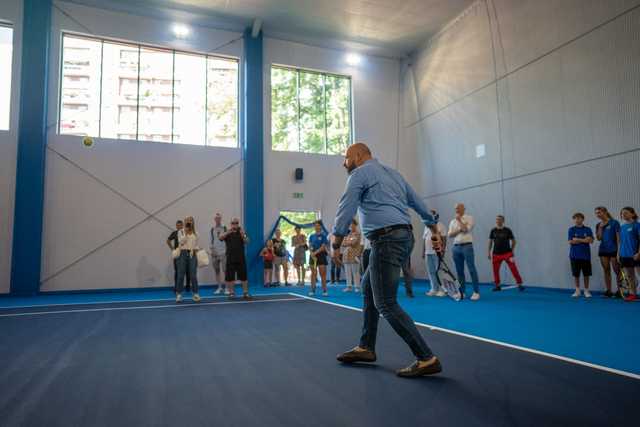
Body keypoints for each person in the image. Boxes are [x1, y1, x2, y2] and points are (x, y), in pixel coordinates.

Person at [333, 143, 443, 378]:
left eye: (346, 158)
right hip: (403, 237)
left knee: (385, 302)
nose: (344, 163)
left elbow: (347, 206)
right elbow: (418, 203)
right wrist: (433, 229)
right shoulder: (394, 174)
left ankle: (426, 357)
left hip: (386, 239)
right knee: (367, 287)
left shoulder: (359, 173)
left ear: (359, 156)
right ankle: (366, 347)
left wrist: (336, 241)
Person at [448, 203, 480, 301]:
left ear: (463, 208)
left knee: (471, 269)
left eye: (458, 208)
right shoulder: (452, 221)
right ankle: (462, 292)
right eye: (455, 208)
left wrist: (459, 220)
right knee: (459, 271)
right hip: (456, 247)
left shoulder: (469, 218)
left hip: (467, 246)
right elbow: (450, 235)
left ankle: (476, 292)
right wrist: (459, 229)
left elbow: (466, 230)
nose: (456, 209)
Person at [488, 215, 524, 292]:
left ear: (503, 221)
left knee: (514, 269)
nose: (498, 221)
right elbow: (490, 242)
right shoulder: (493, 230)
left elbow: (514, 241)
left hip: (507, 254)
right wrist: (488, 252)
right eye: (497, 219)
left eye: (500, 220)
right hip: (496, 254)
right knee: (495, 271)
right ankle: (497, 285)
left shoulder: (508, 230)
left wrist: (512, 250)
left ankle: (520, 284)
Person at [220, 218, 251, 299]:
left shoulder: (241, 232)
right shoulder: (228, 232)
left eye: (236, 223)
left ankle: (245, 293)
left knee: (244, 276)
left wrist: (242, 234)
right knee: (230, 277)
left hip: (240, 258)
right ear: (231, 224)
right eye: (233, 223)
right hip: (230, 258)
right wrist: (228, 232)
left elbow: (247, 241)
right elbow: (220, 238)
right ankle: (232, 293)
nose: (235, 224)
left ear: (238, 224)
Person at [594, 206, 622, 298]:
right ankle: (608, 291)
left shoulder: (614, 223)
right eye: (596, 213)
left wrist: (618, 251)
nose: (598, 214)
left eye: (599, 212)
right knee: (606, 270)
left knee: (617, 271)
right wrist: (600, 228)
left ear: (605, 212)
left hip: (613, 250)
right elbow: (599, 238)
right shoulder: (598, 225)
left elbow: (618, 238)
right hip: (603, 250)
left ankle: (620, 291)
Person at [568, 213, 594, 298]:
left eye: (579, 218)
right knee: (576, 274)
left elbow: (590, 241)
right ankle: (577, 290)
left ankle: (586, 290)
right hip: (574, 256)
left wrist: (578, 239)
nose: (577, 220)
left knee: (586, 274)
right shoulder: (571, 229)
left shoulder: (588, 229)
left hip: (585, 256)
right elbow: (571, 241)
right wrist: (584, 240)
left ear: (583, 219)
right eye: (575, 218)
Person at [175, 216, 201, 303]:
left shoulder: (196, 233)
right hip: (182, 253)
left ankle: (196, 294)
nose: (189, 222)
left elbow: (196, 244)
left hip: (192, 254)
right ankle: (179, 294)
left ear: (193, 222)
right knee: (181, 274)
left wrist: (197, 249)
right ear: (184, 222)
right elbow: (181, 242)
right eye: (187, 221)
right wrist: (185, 233)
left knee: (193, 275)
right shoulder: (180, 231)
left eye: (191, 220)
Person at [423, 210, 447, 297]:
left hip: (437, 252)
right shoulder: (426, 226)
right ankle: (434, 289)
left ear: (435, 216)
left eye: (431, 215)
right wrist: (423, 251)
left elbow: (444, 239)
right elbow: (424, 239)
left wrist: (443, 250)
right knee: (431, 271)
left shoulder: (441, 225)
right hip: (427, 252)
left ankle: (442, 290)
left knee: (439, 271)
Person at [619, 207, 640, 302]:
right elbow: (621, 242)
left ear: (632, 214)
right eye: (622, 213)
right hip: (624, 255)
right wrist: (619, 254)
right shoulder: (622, 227)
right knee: (630, 276)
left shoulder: (637, 225)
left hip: (635, 255)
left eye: (626, 213)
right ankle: (633, 294)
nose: (624, 215)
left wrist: (638, 253)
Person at [309, 221, 329, 296]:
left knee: (322, 274)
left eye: (318, 225)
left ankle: (324, 290)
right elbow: (310, 245)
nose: (317, 227)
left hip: (321, 256)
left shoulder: (323, 236)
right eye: (315, 226)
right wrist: (311, 253)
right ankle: (312, 290)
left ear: (321, 226)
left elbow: (323, 247)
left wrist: (315, 253)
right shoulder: (311, 236)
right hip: (313, 257)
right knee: (313, 274)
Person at [341, 219, 362, 292]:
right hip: (346, 255)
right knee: (347, 271)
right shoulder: (348, 234)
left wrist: (347, 242)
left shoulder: (358, 234)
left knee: (355, 272)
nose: (351, 226)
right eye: (350, 225)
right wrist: (348, 242)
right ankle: (349, 286)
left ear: (355, 225)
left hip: (355, 255)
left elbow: (353, 243)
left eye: (352, 224)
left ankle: (357, 287)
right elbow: (343, 243)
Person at [210, 213, 227, 295]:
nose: (218, 220)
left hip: (223, 252)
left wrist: (227, 250)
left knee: (225, 270)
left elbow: (228, 239)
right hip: (215, 253)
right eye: (216, 218)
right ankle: (219, 287)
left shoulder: (225, 227)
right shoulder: (212, 229)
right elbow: (212, 240)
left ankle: (227, 288)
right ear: (214, 219)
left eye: (219, 218)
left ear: (221, 219)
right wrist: (212, 250)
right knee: (217, 271)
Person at [166, 220, 184, 293]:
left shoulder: (185, 233)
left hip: (185, 254)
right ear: (176, 226)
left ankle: (188, 286)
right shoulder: (175, 233)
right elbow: (168, 241)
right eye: (178, 225)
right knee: (177, 271)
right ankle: (177, 287)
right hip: (177, 254)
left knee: (186, 271)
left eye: (180, 225)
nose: (179, 226)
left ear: (183, 225)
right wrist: (173, 249)